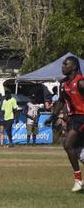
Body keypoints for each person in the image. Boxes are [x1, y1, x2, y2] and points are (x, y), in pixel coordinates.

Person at [45, 56, 84, 192]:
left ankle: (78, 180)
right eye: (62, 64)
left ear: (73, 66)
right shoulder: (63, 83)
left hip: (82, 117)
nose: (62, 66)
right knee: (78, 149)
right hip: (74, 118)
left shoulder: (80, 82)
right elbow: (61, 102)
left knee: (68, 144)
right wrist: (52, 116)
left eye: (65, 64)